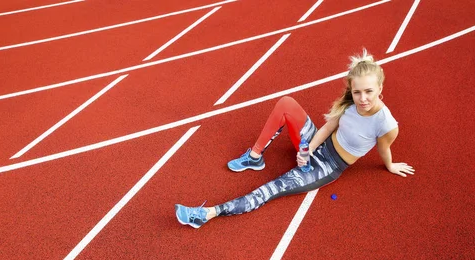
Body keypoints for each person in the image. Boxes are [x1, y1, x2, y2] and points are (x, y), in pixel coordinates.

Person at [175, 49, 414, 228]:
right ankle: (255, 157)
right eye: (357, 92)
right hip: (318, 147)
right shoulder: (351, 102)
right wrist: (307, 149)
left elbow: (384, 149)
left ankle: (207, 214)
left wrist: (390, 165)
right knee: (287, 103)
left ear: (380, 88)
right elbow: (329, 126)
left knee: (268, 190)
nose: (362, 98)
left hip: (328, 167)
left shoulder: (386, 124)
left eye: (369, 92)